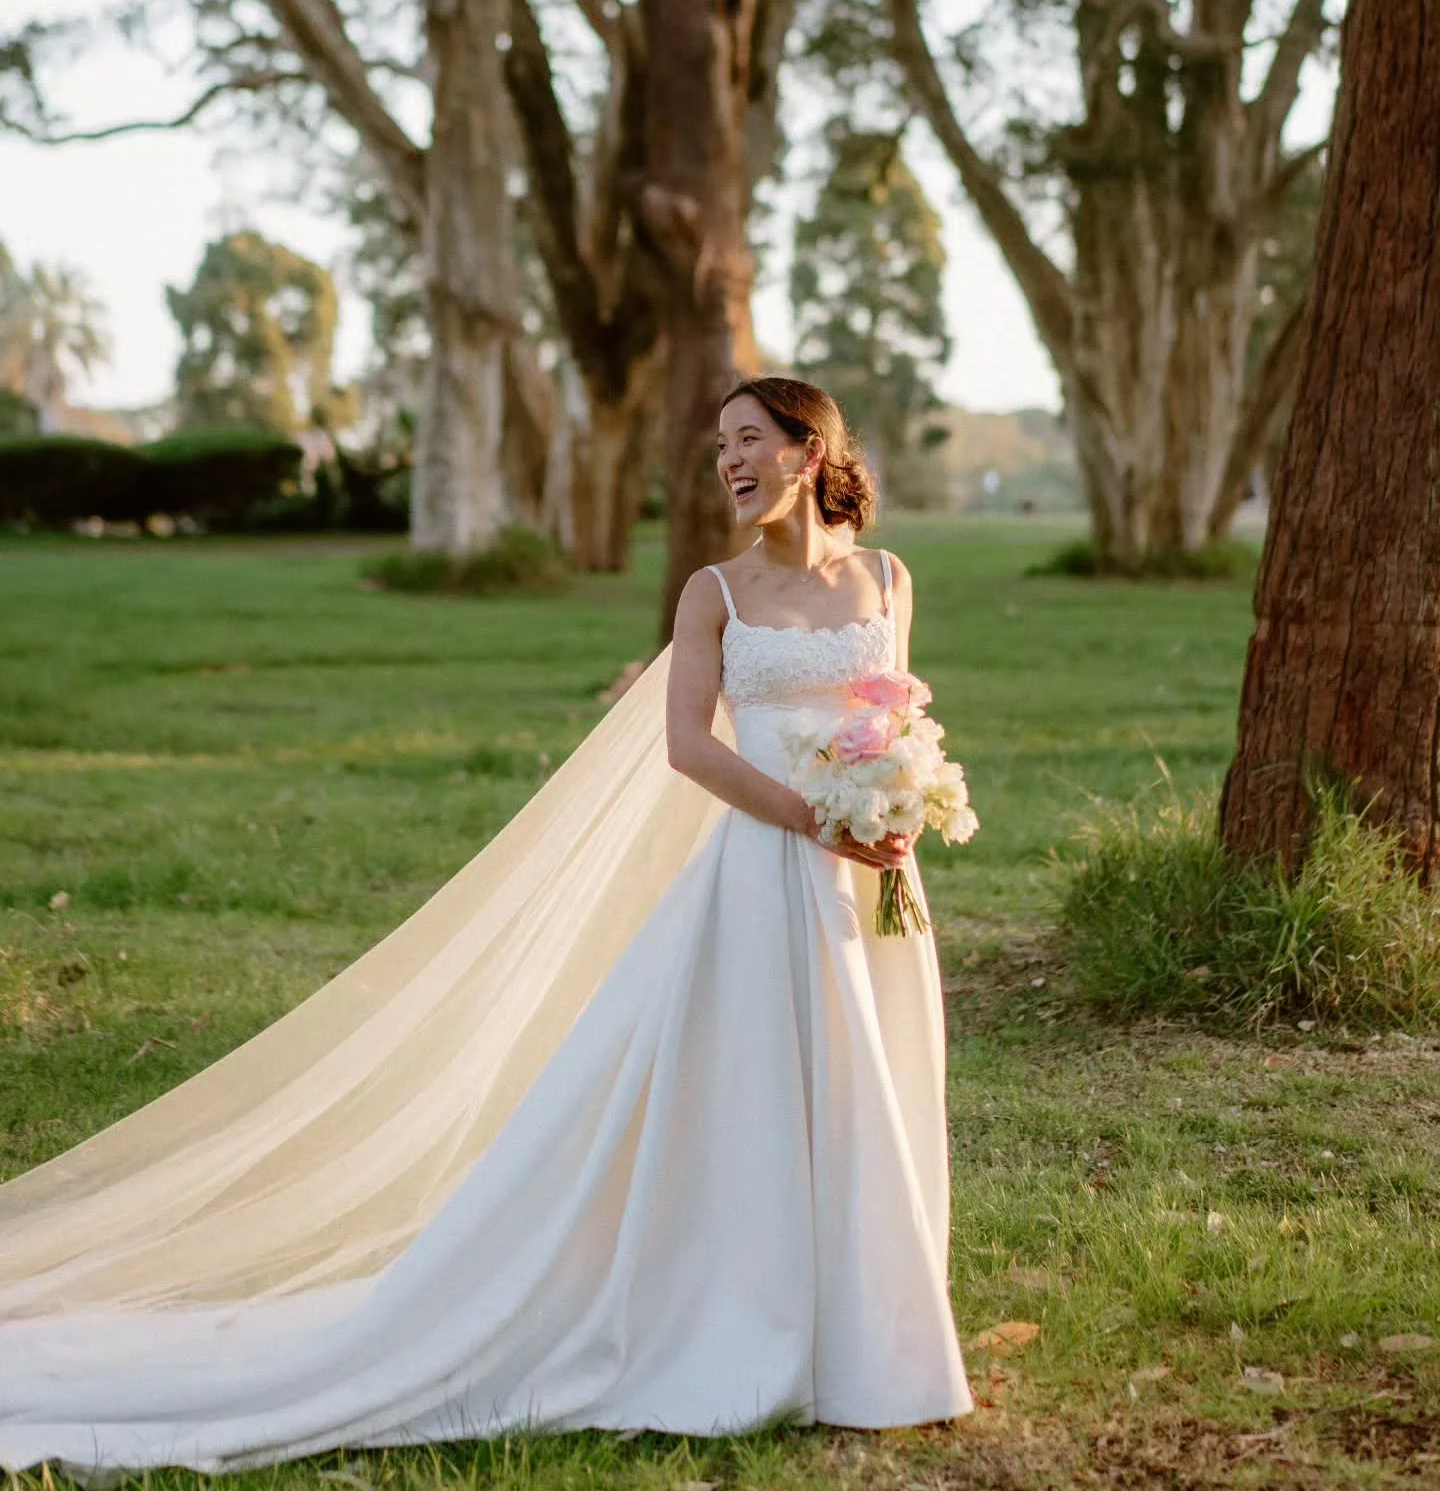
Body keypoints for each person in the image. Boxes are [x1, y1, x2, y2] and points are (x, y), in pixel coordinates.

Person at [0, 376, 970, 1476]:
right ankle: (741, 1327)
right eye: (718, 446)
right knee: (753, 1093)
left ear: (811, 451)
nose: (728, 463)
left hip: (876, 883)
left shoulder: (886, 582)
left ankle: (873, 1335)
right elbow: (690, 748)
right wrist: (811, 820)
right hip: (764, 873)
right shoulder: (715, 594)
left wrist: (903, 808)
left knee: (868, 1084)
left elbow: (898, 718)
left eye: (750, 441)